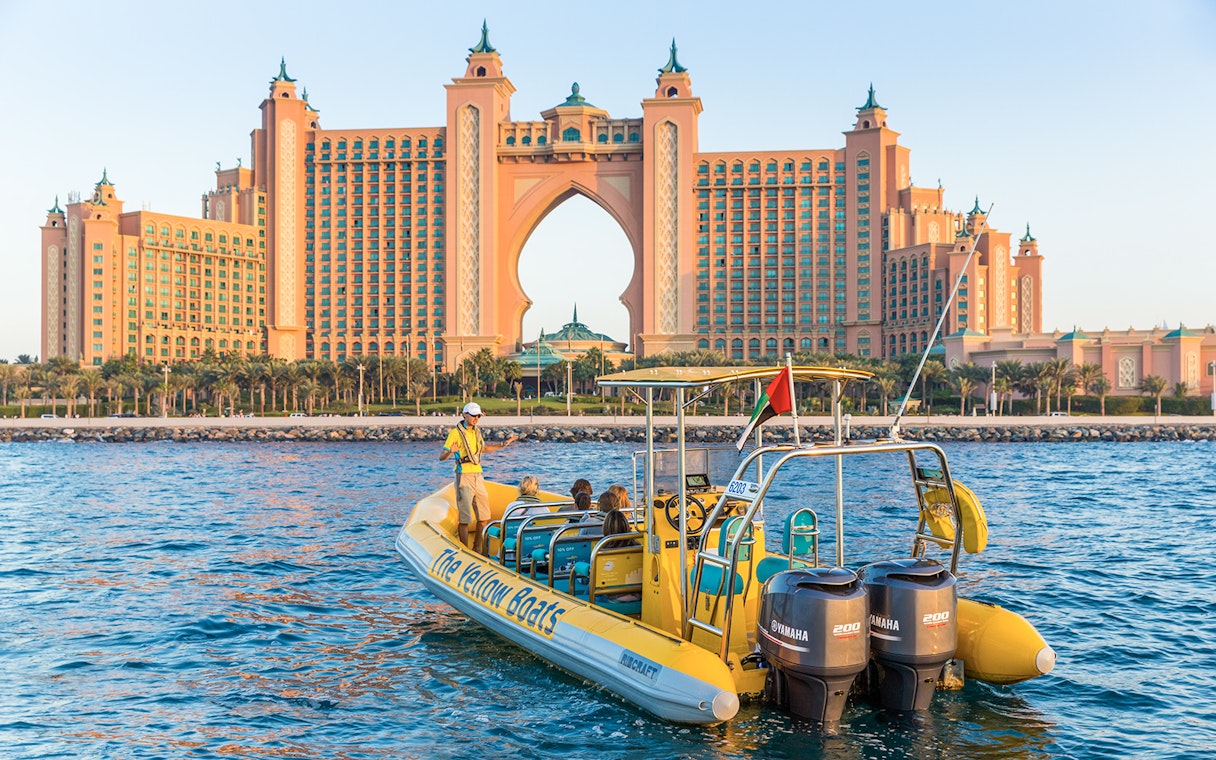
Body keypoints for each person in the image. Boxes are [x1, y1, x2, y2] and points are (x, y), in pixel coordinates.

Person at [439, 402, 518, 553]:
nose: (476, 418)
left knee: (483, 517)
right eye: (474, 415)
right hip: (464, 476)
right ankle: (464, 550)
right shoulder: (455, 433)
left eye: (478, 416)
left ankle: (477, 548)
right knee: (465, 518)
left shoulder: (477, 432)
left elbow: (483, 449)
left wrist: (502, 445)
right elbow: (441, 456)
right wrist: (451, 452)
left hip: (478, 475)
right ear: (464, 415)